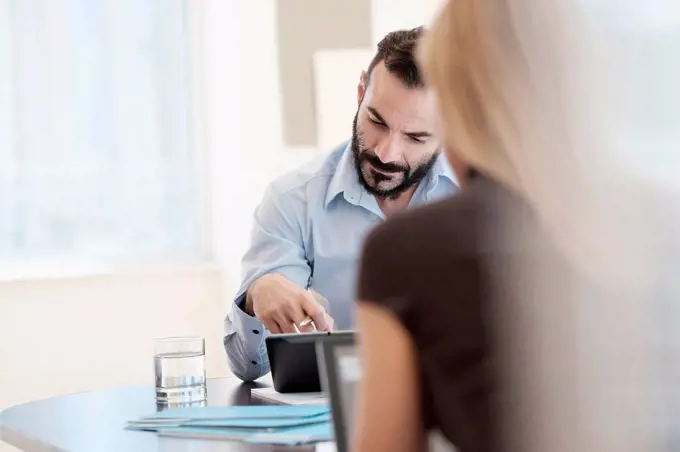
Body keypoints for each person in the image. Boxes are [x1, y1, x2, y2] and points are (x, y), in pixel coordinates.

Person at [223, 27, 458, 382]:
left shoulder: (485, 203)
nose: (386, 152)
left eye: (415, 137)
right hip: (335, 422)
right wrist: (257, 297)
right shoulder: (292, 201)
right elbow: (249, 367)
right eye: (377, 121)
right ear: (361, 92)